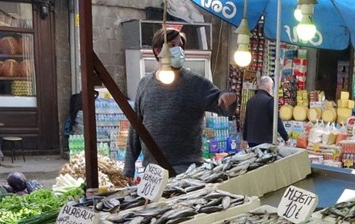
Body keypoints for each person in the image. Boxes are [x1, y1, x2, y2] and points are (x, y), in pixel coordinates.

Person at [123, 28, 238, 177]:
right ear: (157, 50)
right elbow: (136, 128)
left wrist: (228, 97)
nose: (178, 50)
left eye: (180, 46)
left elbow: (223, 106)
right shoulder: (144, 84)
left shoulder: (195, 83)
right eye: (172, 45)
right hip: (152, 172)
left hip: (187, 172)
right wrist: (128, 170)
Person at [241, 76, 288, 148]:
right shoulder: (269, 101)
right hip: (265, 140)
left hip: (251, 140)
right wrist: (286, 138)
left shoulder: (250, 101)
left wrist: (244, 138)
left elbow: (246, 121)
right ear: (268, 87)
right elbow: (276, 121)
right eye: (272, 87)